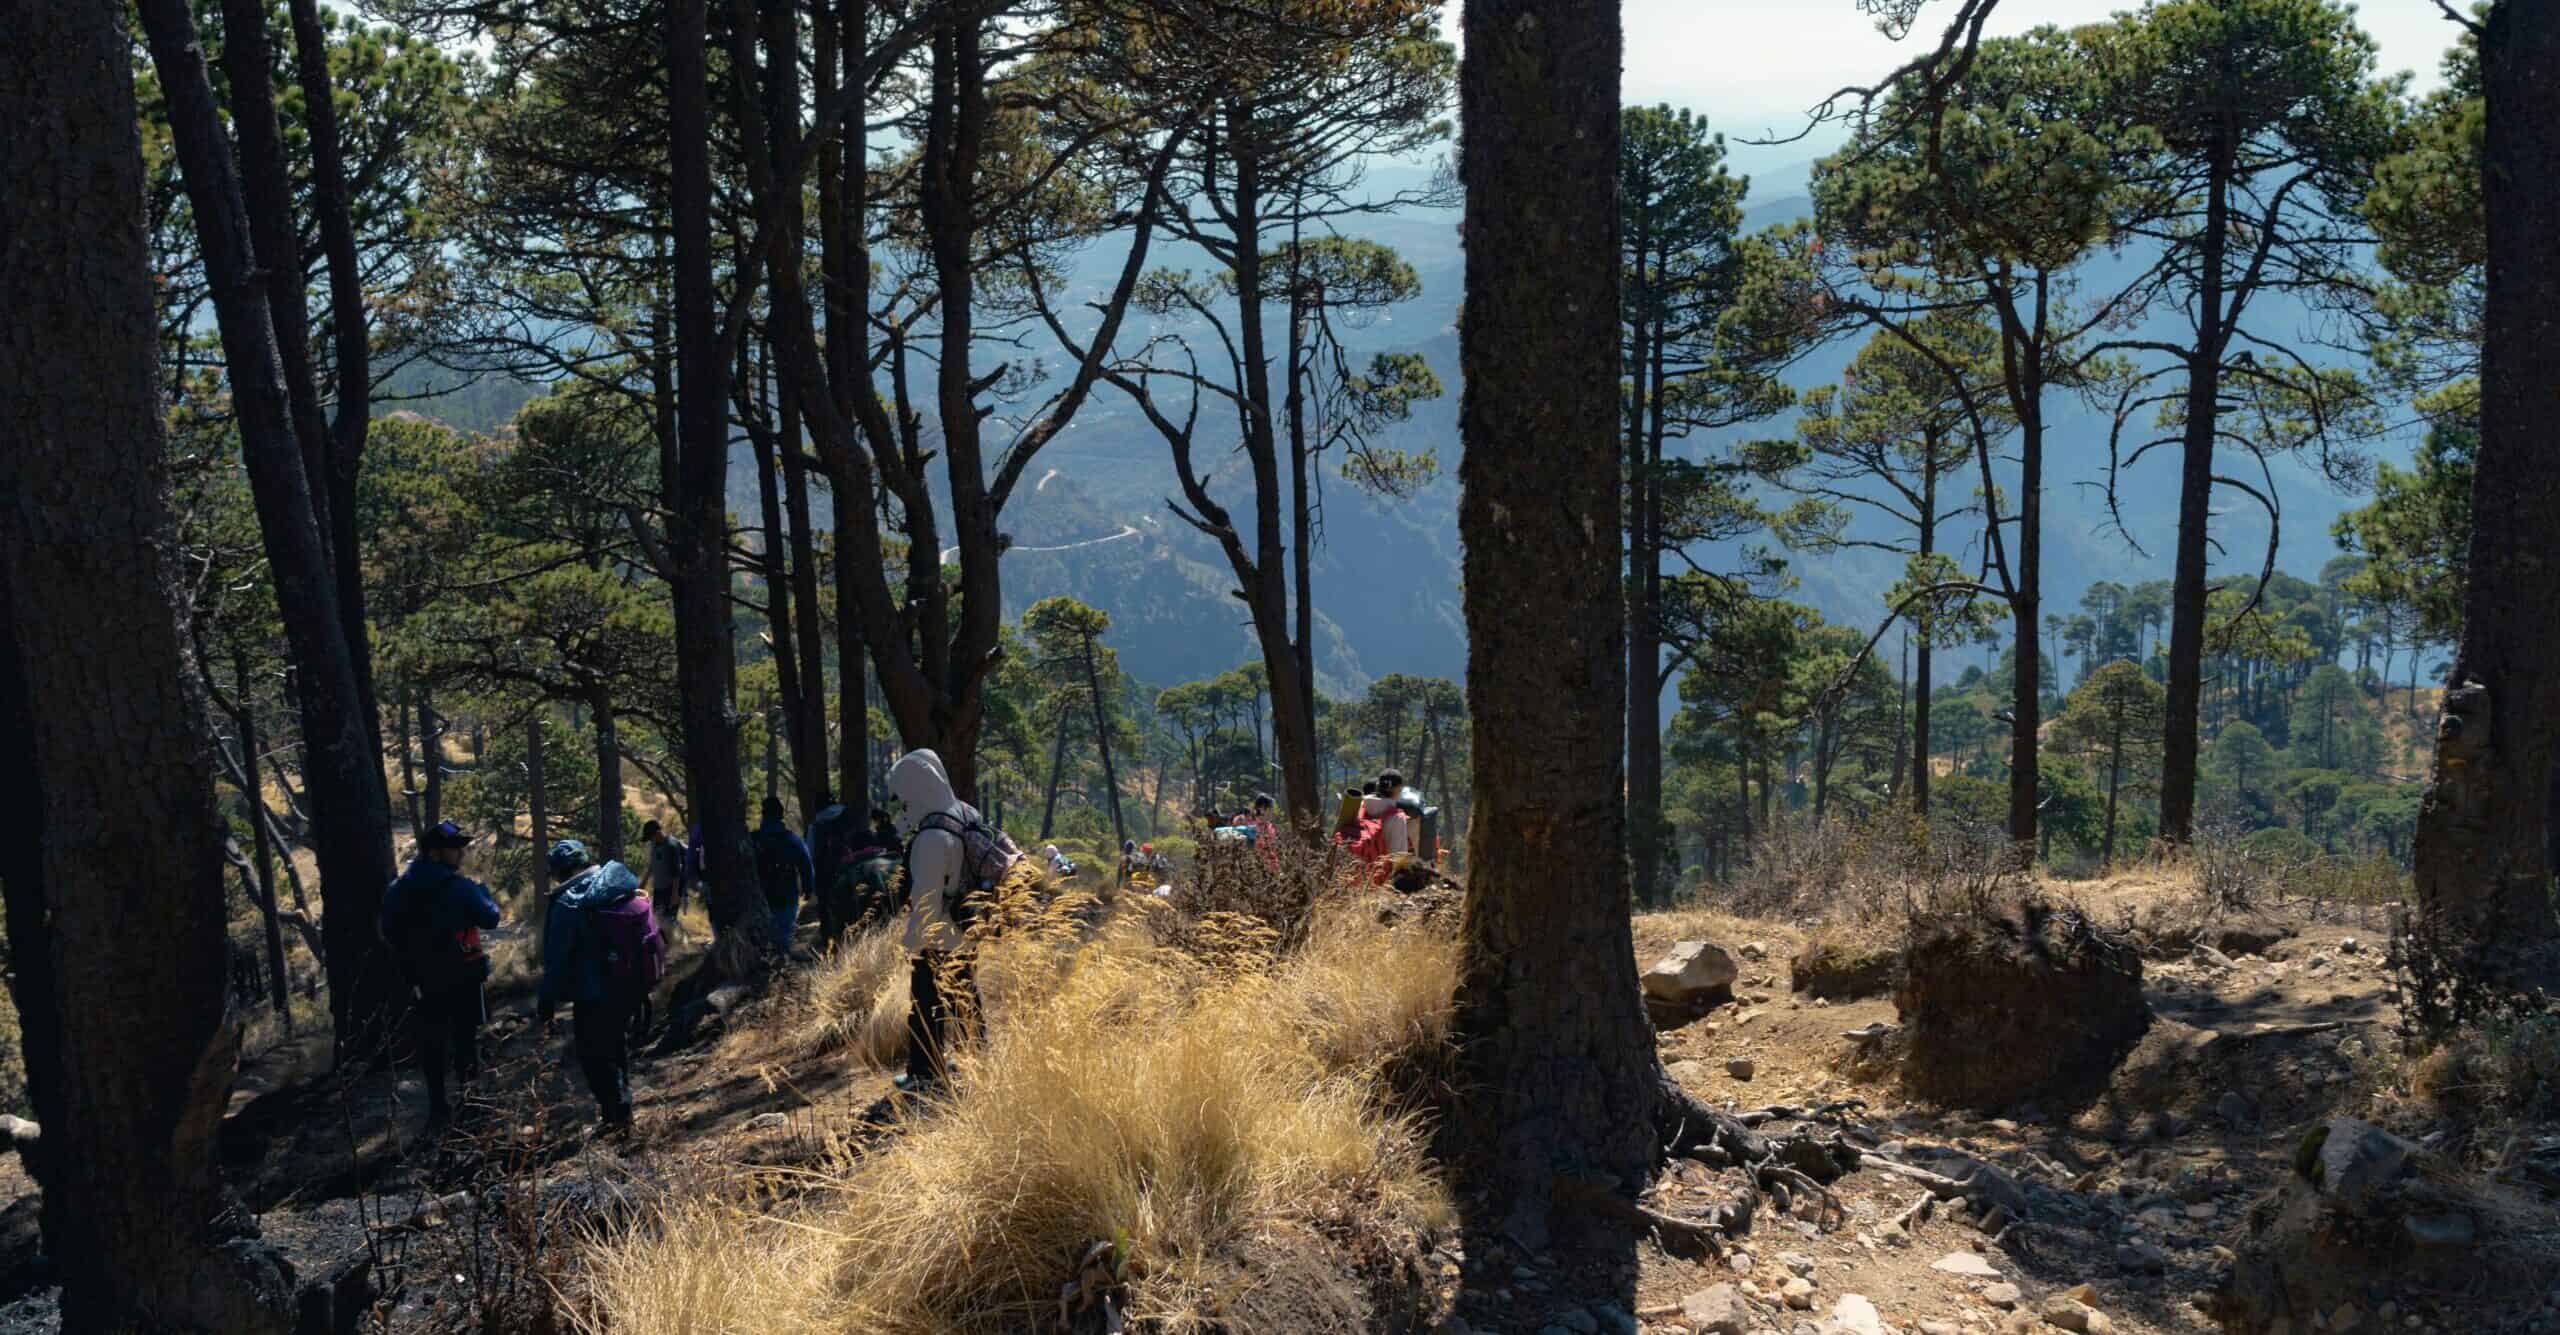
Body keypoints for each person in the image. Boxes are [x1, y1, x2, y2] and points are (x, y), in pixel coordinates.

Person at [890, 748, 1018, 1094]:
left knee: (925, 1006)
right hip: (967, 926)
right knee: (966, 999)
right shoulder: (965, 812)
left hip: (938, 936)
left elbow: (926, 900)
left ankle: (925, 1073)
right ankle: (981, 1062)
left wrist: (912, 944)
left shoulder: (931, 837)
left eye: (904, 792)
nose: (903, 801)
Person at [379, 820, 502, 1136]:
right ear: (436, 853)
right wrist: (483, 893)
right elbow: (491, 917)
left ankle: (438, 1108)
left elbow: (388, 931)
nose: (461, 852)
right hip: (463, 975)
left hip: (422, 979)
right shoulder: (459, 887)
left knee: (432, 1042)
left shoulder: (399, 889)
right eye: (455, 848)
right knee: (465, 1039)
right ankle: (471, 1104)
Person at [537, 840, 663, 1138]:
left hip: (592, 993)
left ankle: (616, 1120)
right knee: (615, 1050)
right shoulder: (614, 883)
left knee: (593, 1056)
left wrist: (546, 1002)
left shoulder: (568, 901)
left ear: (558, 871)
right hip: (625, 985)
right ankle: (622, 1114)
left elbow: (555, 958)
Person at [750, 795, 815, 954]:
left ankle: (765, 962)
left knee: (762, 935)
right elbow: (806, 863)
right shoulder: (791, 839)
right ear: (781, 815)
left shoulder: (752, 839)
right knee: (784, 933)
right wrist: (808, 888)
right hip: (786, 892)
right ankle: (782, 963)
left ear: (763, 814)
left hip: (758, 894)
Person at [638, 819, 689, 925]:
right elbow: (652, 865)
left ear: (657, 833)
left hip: (671, 889)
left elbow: (677, 873)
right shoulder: (654, 844)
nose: (650, 840)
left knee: (668, 921)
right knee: (656, 919)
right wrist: (643, 883)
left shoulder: (671, 846)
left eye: (650, 837)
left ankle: (677, 939)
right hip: (659, 889)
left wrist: (675, 894)